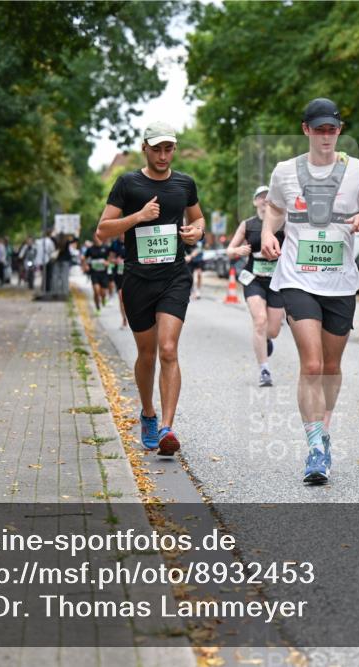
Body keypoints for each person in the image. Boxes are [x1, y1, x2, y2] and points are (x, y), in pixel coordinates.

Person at [261, 98, 359, 484]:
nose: (325, 135)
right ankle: (315, 447)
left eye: (331, 128)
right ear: (305, 130)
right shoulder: (285, 171)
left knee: (332, 367)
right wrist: (269, 232)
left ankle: (324, 430)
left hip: (341, 283)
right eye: (318, 129)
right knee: (312, 365)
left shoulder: (358, 171)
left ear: (339, 129)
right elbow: (275, 208)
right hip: (297, 279)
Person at [97, 121, 205, 456]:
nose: (162, 155)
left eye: (168, 148)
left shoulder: (185, 184)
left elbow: (199, 219)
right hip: (138, 280)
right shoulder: (128, 183)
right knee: (147, 355)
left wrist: (196, 232)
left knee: (168, 349)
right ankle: (148, 413)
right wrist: (138, 217)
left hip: (174, 276)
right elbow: (103, 229)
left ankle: (166, 429)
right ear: (144, 148)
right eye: (156, 148)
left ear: (173, 149)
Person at [227, 185, 286, 387]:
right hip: (253, 278)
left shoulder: (283, 223)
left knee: (274, 330)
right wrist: (238, 250)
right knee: (260, 321)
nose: (264, 200)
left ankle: (266, 340)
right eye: (260, 197)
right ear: (255, 202)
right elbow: (229, 250)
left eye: (268, 197)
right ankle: (264, 370)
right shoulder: (248, 225)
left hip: (277, 281)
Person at [82, 237, 111, 310]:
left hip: (104, 274)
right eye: (94, 238)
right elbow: (84, 258)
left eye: (98, 237)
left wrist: (108, 263)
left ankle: (103, 299)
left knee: (103, 293)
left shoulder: (106, 248)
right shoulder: (90, 249)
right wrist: (85, 265)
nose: (96, 239)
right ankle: (97, 307)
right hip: (94, 273)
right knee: (96, 291)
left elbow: (111, 258)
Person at [108, 234, 128, 328]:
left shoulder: (132, 239)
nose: (122, 234)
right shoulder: (115, 244)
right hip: (119, 274)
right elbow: (110, 259)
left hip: (132, 273)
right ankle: (124, 319)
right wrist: (116, 260)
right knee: (121, 296)